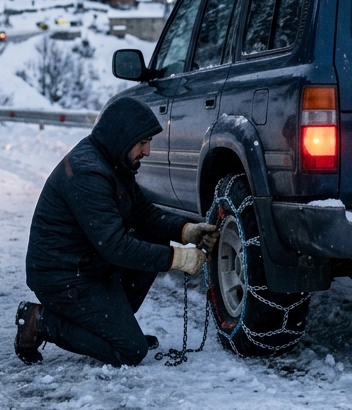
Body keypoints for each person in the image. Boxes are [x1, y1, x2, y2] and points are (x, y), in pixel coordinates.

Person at [15, 95, 218, 366]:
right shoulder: (88, 173)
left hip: (89, 266)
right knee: (130, 351)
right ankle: (40, 321)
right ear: (123, 137)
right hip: (62, 277)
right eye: (143, 143)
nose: (147, 151)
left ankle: (112, 330)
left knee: (153, 237)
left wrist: (187, 230)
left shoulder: (114, 161)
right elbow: (114, 246)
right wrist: (177, 259)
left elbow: (144, 214)